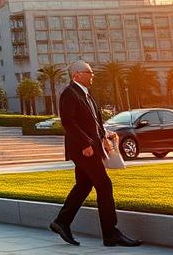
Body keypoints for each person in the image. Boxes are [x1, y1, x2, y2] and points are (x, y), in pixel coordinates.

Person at [50, 60, 142, 247]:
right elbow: (69, 122)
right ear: (76, 74)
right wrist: (85, 143)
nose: (92, 75)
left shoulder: (86, 95)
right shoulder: (70, 93)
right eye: (88, 72)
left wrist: (104, 133)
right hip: (84, 150)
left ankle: (62, 222)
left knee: (83, 186)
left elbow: (92, 122)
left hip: (91, 146)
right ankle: (110, 234)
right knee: (104, 185)